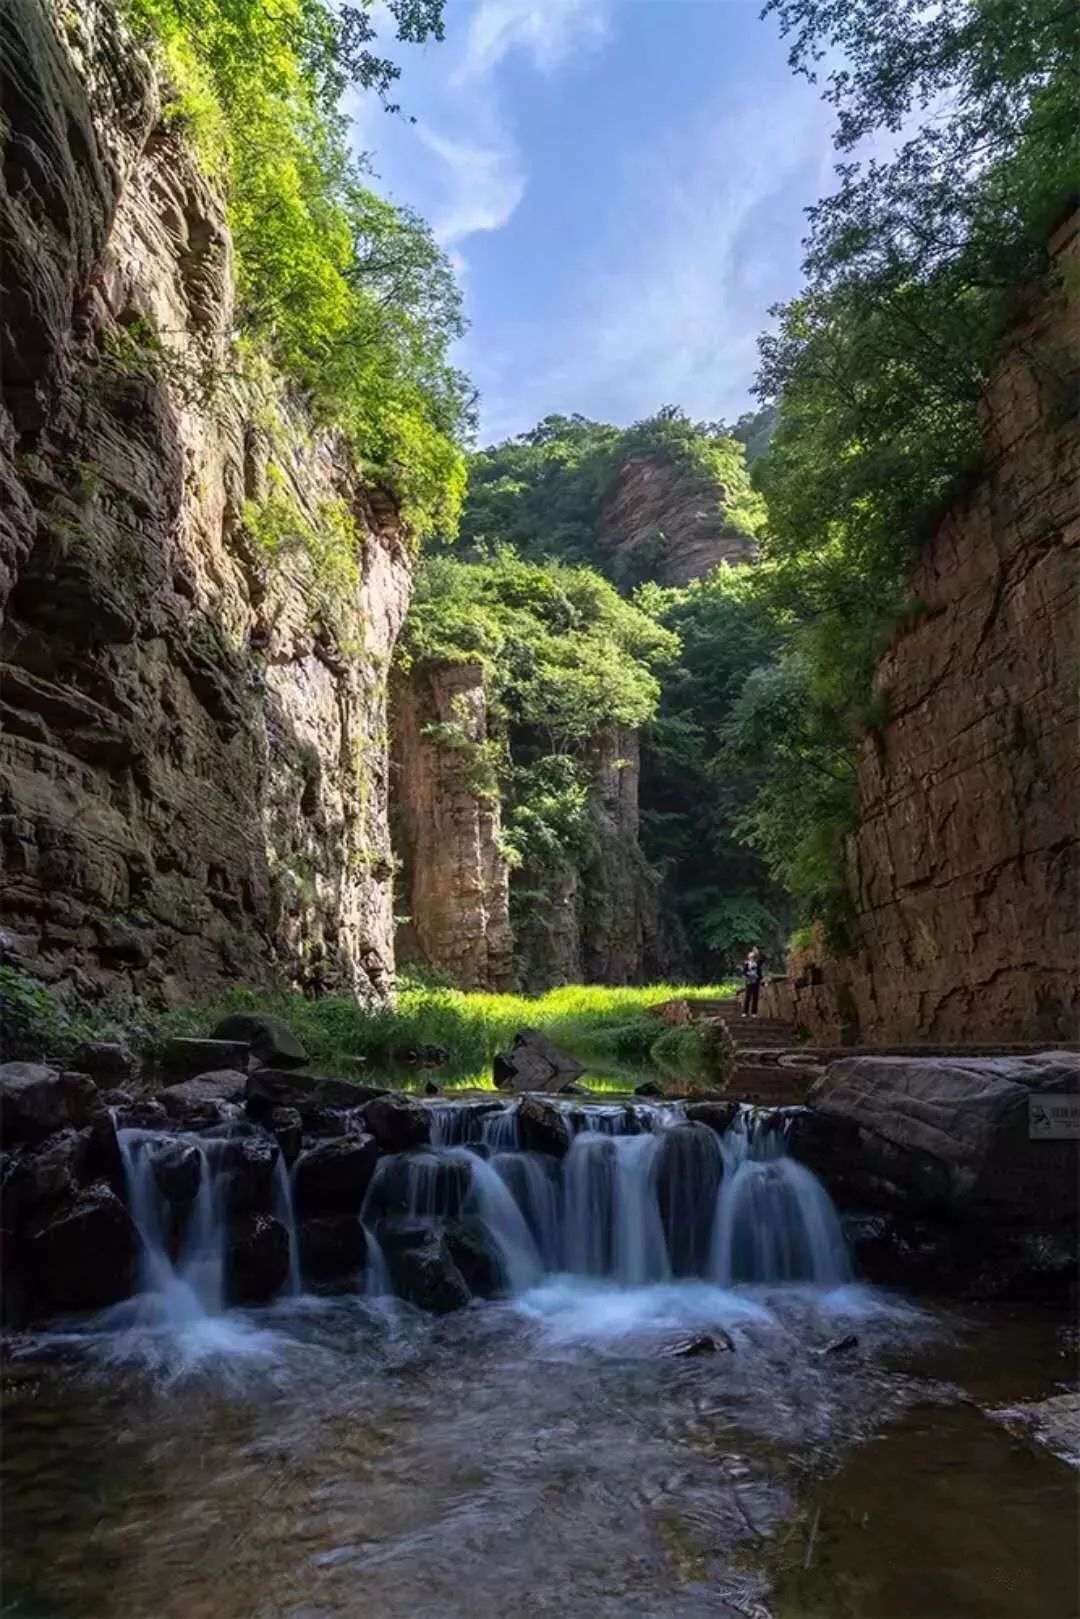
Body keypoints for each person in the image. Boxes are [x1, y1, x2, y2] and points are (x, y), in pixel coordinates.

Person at [741, 947, 764, 1017]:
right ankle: (745, 1012)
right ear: (749, 958)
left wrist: (757, 952)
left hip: (756, 981)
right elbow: (744, 972)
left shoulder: (758, 963)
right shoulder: (747, 964)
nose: (752, 958)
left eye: (753, 957)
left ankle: (754, 1012)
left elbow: (763, 958)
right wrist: (750, 974)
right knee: (747, 996)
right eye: (751, 957)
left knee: (755, 997)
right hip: (749, 981)